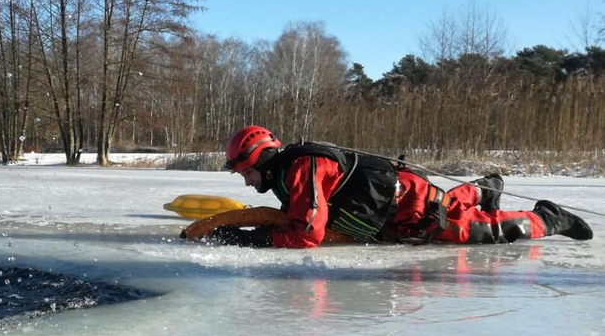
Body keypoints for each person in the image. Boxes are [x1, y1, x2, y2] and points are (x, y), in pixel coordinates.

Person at [212, 125, 593, 248]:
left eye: (245, 171)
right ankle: (483, 190)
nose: (245, 180)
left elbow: (309, 230)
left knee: (480, 230)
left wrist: (256, 240)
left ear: (260, 159)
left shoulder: (299, 168)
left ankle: (548, 217)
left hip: (409, 207)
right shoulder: (290, 169)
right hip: (400, 200)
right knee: (446, 202)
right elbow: (300, 215)